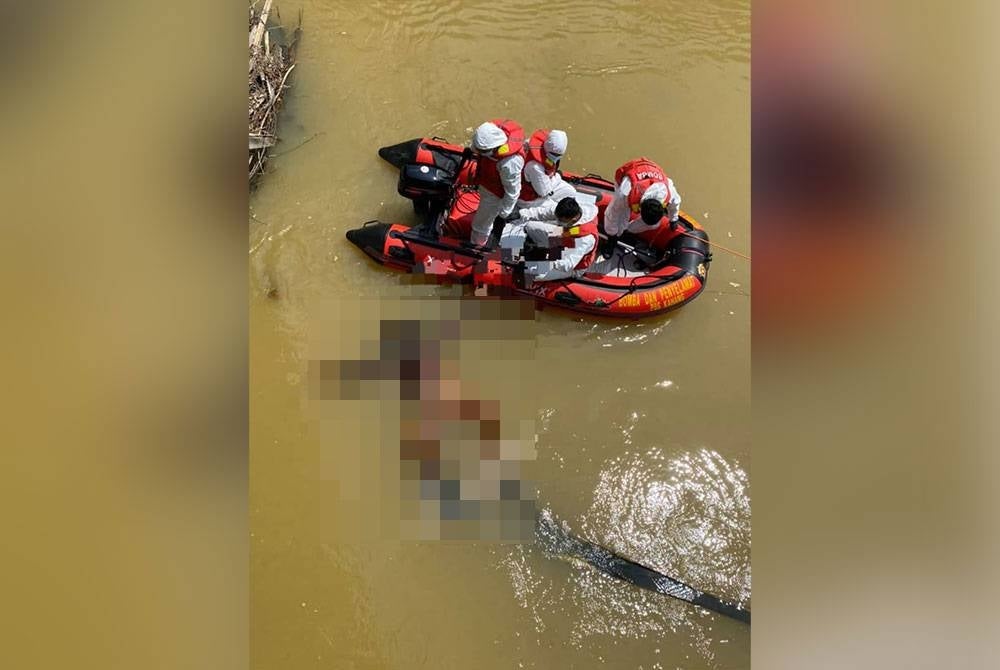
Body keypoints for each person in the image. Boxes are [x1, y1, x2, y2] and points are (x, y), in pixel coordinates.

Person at [468, 119, 526, 247]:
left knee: (481, 225)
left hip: (494, 195)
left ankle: (477, 245)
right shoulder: (490, 143)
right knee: (484, 216)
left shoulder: (509, 163)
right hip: (487, 183)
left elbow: (513, 191)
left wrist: (503, 213)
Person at [519, 196, 599, 282]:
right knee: (530, 227)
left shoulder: (585, 239)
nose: (557, 221)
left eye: (561, 220)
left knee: (531, 273)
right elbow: (545, 212)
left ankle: (569, 274)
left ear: (573, 219)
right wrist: (524, 213)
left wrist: (550, 262)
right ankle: (540, 246)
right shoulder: (570, 208)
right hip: (565, 236)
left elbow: (568, 264)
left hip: (571, 264)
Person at [603, 158, 682, 243]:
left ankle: (628, 231)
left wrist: (673, 219)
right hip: (630, 174)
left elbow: (676, 202)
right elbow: (612, 213)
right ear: (640, 208)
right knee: (623, 216)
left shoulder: (668, 191)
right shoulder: (625, 193)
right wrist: (612, 235)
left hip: (651, 172)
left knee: (654, 225)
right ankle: (618, 234)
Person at [518, 129, 577, 209]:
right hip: (528, 198)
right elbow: (544, 192)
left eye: (559, 155)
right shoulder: (535, 166)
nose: (556, 157)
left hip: (543, 183)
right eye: (554, 154)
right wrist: (558, 176)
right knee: (554, 209)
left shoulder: (535, 145)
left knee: (571, 192)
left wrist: (554, 177)